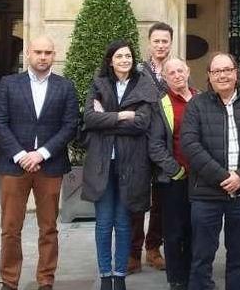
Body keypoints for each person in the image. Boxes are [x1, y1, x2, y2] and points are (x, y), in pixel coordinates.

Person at [0, 36, 80, 290]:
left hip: (49, 166)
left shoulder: (65, 87)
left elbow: (70, 125)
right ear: (28, 54)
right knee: (10, 228)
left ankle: (46, 280)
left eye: (48, 52)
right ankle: (9, 281)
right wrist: (21, 155)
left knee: (49, 227)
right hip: (13, 165)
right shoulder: (9, 84)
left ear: (54, 55)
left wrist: (41, 153)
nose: (43, 57)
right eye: (38, 52)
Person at [180, 52, 240, 290]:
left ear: (235, 73)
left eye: (227, 70)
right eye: (216, 71)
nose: (222, 75)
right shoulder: (196, 105)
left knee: (239, 257)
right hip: (206, 194)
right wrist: (223, 177)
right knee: (202, 256)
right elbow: (190, 145)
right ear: (209, 76)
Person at [82, 40, 159, 290]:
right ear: (110, 61)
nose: (124, 60)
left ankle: (120, 275)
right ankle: (105, 275)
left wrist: (106, 118)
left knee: (124, 222)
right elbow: (89, 118)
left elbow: (142, 123)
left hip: (132, 164)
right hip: (102, 162)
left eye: (128, 56)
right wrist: (122, 115)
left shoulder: (144, 84)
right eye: (119, 56)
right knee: (104, 222)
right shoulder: (98, 83)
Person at [148, 57, 199, 290]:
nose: (177, 75)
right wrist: (176, 171)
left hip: (202, 178)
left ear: (188, 71)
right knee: (174, 231)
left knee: (196, 229)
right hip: (175, 179)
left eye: (180, 70)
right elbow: (155, 146)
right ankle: (177, 279)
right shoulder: (161, 104)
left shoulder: (203, 99)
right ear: (165, 78)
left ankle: (194, 275)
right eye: (172, 73)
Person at [132, 22, 173, 273]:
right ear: (149, 42)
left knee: (161, 201)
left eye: (165, 41)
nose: (160, 45)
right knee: (136, 201)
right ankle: (133, 252)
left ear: (171, 42)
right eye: (156, 41)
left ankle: (153, 248)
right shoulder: (137, 70)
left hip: (165, 145)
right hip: (138, 142)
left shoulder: (175, 69)